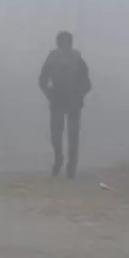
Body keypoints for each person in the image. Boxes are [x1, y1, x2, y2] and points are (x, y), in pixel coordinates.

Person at [38, 30, 91, 179]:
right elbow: (87, 84)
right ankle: (69, 166)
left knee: (58, 134)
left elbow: (42, 81)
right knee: (71, 136)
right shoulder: (77, 59)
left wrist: (50, 94)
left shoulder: (53, 59)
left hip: (59, 99)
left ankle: (60, 161)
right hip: (69, 100)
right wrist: (79, 95)